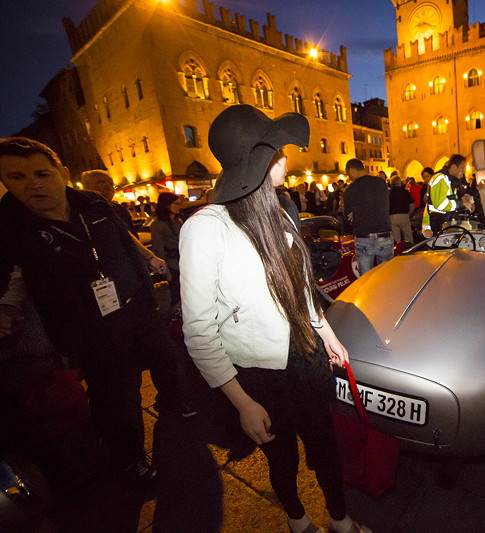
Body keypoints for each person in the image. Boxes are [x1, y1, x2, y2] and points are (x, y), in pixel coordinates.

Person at [179, 105, 371, 533]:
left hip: (304, 359)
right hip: (257, 377)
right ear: (260, 159)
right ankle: (298, 522)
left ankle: (341, 522)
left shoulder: (279, 213)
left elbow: (299, 289)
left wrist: (326, 332)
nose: (286, 157)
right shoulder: (205, 228)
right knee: (282, 457)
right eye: (278, 150)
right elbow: (199, 330)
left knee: (325, 450)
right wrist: (242, 402)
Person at [0, 137, 193, 484]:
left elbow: (124, 236)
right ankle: (129, 459)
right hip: (88, 328)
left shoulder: (93, 203)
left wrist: (149, 259)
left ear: (61, 172)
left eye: (41, 174)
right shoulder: (11, 225)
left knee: (165, 356)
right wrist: (7, 306)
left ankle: (176, 403)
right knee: (115, 396)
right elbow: (10, 276)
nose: (31, 184)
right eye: (16, 177)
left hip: (136, 306)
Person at [342, 158, 393, 274]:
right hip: (384, 236)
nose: (349, 177)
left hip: (363, 237)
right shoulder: (381, 183)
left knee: (366, 279)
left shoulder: (350, 190)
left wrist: (357, 214)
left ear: (353, 170)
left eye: (349, 174)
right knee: (387, 275)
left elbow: (347, 217)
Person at [421, 155, 474, 237]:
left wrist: (464, 198)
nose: (463, 171)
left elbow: (451, 200)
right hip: (435, 225)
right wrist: (462, 203)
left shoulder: (451, 181)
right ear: (454, 167)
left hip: (443, 224)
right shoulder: (440, 179)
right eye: (462, 168)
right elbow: (441, 204)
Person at [81, 169, 137, 236]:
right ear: (86, 187)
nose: (109, 188)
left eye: (111, 184)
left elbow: (133, 237)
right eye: (101, 184)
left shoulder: (120, 209)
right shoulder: (80, 212)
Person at [151, 192, 183, 305]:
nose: (179, 206)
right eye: (176, 203)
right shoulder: (158, 224)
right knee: (176, 297)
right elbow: (158, 250)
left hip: (183, 263)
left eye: (180, 203)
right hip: (172, 265)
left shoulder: (178, 221)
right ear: (166, 205)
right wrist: (166, 273)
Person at [389, 175, 415, 243]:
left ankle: (397, 252)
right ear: (399, 182)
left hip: (392, 217)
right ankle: (409, 251)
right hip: (404, 216)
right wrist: (408, 215)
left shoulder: (388, 193)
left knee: (395, 240)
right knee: (408, 238)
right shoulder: (405, 192)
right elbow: (412, 205)